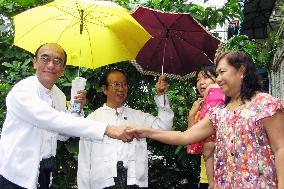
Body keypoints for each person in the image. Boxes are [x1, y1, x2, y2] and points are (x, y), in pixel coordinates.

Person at [129, 51, 284, 189]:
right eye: (217, 74)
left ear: (241, 71)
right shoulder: (219, 113)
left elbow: (281, 148)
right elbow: (185, 136)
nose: (219, 79)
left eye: (222, 72)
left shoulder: (265, 104)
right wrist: (146, 131)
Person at [0, 43, 133, 189]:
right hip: (15, 175)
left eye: (57, 61)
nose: (50, 65)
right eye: (45, 58)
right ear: (34, 62)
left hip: (43, 173)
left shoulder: (59, 95)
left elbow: (62, 134)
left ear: (63, 69)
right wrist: (106, 129)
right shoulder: (23, 90)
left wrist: (76, 108)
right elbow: (51, 120)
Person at [77, 69, 174, 189]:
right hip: (102, 183)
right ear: (104, 89)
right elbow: (84, 162)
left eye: (124, 85)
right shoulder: (92, 120)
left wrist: (162, 96)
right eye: (116, 85)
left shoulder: (138, 116)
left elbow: (163, 128)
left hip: (134, 182)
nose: (122, 89)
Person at [187, 65, 224, 189]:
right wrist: (192, 115)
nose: (201, 82)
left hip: (230, 174)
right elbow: (191, 138)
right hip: (206, 178)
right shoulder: (199, 110)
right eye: (198, 79)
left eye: (206, 77)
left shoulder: (226, 102)